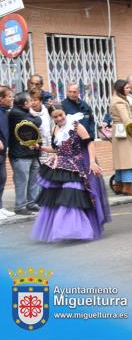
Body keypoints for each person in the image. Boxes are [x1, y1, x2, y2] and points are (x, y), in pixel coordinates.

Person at [31, 106, 110, 242]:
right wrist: (40, 147)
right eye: (55, 117)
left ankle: (77, 229)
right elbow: (56, 149)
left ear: (65, 113)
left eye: (60, 115)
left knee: (72, 194)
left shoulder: (76, 125)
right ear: (52, 118)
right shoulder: (55, 129)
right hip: (60, 166)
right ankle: (63, 229)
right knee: (56, 196)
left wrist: (92, 162)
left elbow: (89, 143)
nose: (59, 118)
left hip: (76, 165)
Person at [9, 92, 42, 215]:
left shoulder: (25, 112)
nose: (32, 102)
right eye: (30, 101)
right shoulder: (15, 113)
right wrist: (35, 116)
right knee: (22, 181)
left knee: (34, 180)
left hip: (31, 152)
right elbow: (36, 122)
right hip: (20, 154)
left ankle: (31, 203)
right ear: (24, 103)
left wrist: (33, 115)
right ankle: (20, 206)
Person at [110, 79, 132, 196]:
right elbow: (126, 119)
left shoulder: (117, 99)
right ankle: (127, 187)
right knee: (128, 160)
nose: (129, 89)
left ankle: (119, 186)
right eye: (126, 88)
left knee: (120, 160)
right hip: (124, 131)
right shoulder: (120, 102)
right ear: (120, 89)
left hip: (119, 131)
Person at [0, 86, 14, 219]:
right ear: (1, 99)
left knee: (2, 178)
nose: (12, 98)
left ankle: (1, 207)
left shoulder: (4, 111)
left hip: (2, 152)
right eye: (9, 96)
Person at [29, 89, 52, 164]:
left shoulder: (46, 110)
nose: (32, 103)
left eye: (35, 100)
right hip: (36, 145)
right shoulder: (28, 113)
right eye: (30, 100)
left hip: (49, 143)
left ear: (40, 101)